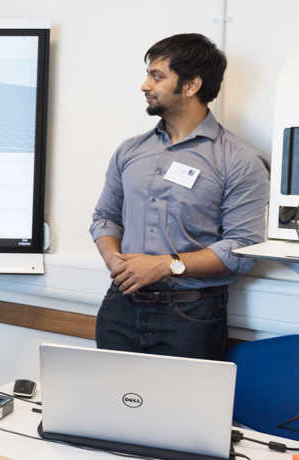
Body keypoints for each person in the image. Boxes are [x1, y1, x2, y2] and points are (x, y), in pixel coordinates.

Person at [90, 33, 268, 360]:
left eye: (157, 76)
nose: (145, 85)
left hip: (190, 318)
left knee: (180, 412)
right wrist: (114, 260)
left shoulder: (240, 160)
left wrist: (166, 266)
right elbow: (105, 218)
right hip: (120, 308)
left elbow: (243, 246)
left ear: (191, 86)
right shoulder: (130, 150)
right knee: (110, 410)